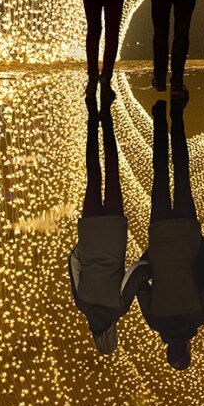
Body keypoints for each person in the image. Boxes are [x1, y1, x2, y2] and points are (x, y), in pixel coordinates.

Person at [122, 99, 204, 370]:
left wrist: (199, 243)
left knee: (182, 174)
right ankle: (159, 116)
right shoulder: (155, 321)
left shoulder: (198, 316)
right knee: (160, 173)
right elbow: (141, 284)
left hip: (186, 234)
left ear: (187, 347)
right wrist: (154, 257)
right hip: (161, 235)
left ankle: (178, 114)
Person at [69, 101, 132, 354]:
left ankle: (107, 119)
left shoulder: (119, 307)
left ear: (111, 334)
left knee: (112, 173)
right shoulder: (81, 303)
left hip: (114, 233)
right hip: (91, 233)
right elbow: (73, 263)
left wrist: (154, 261)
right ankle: (92, 119)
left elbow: (135, 273)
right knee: (93, 175)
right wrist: (85, 245)